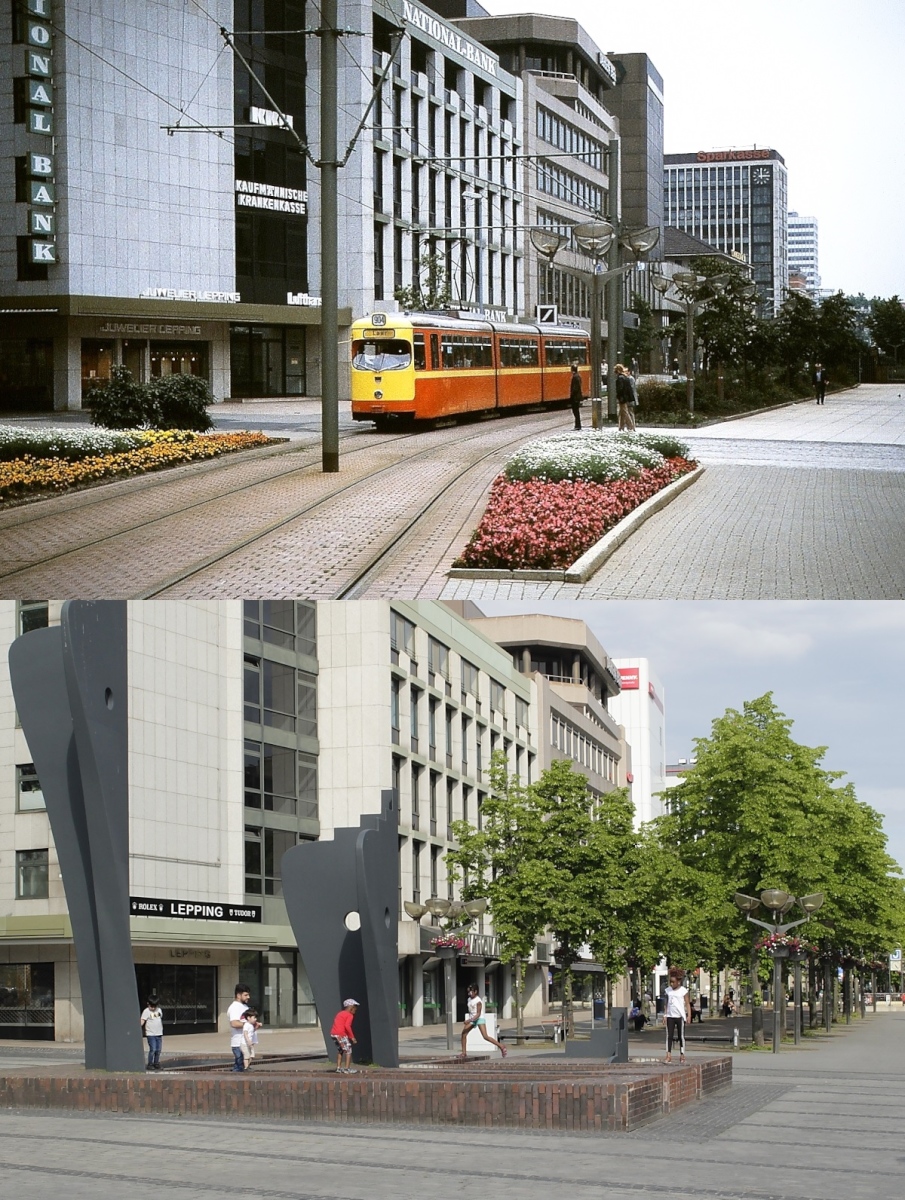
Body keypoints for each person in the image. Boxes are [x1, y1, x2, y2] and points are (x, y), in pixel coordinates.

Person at [459, 983, 507, 1059]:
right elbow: (471, 1011)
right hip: (472, 1019)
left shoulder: (478, 1001)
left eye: (471, 992)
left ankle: (501, 1046)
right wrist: (470, 1019)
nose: (469, 993)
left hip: (479, 1019)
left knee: (485, 1036)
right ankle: (464, 1053)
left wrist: (469, 1020)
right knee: (463, 1034)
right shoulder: (469, 999)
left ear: (476, 991)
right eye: (468, 992)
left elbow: (478, 1014)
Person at [664, 968, 691, 1064]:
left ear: (678, 982)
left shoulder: (683, 991)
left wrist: (689, 1015)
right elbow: (666, 1004)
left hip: (680, 1016)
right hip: (670, 1016)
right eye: (670, 982)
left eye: (673, 982)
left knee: (681, 1036)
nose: (671, 984)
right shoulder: (668, 991)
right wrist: (665, 1015)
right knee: (669, 1036)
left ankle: (682, 1054)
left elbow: (687, 1003)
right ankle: (668, 1055)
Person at [330, 998, 359, 1073]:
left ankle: (338, 1068)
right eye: (355, 1007)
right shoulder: (349, 1015)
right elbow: (347, 1026)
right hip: (341, 1034)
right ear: (351, 1007)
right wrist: (352, 1037)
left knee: (341, 1050)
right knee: (348, 1050)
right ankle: (347, 1069)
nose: (356, 1009)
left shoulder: (340, 1013)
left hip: (333, 1034)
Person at [228, 983, 251, 1072]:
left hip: (245, 1042)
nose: (248, 997)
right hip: (238, 1043)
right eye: (246, 995)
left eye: (248, 994)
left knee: (243, 1066)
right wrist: (249, 1025)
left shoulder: (244, 1006)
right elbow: (234, 1023)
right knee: (239, 1067)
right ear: (238, 995)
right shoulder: (234, 1007)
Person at [140, 992, 164, 1071]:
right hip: (151, 1034)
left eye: (154, 1006)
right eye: (151, 1006)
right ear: (148, 1004)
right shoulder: (146, 1011)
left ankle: (156, 1063)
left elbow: (159, 1019)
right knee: (153, 1049)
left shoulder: (159, 1010)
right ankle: (150, 1064)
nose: (153, 1008)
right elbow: (142, 1020)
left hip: (159, 1033)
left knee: (158, 1050)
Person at [615, 363, 636, 432]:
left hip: (622, 398)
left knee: (624, 412)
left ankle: (630, 426)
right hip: (626, 397)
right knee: (622, 412)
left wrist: (619, 397)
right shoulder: (625, 377)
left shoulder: (620, 378)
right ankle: (621, 427)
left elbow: (620, 389)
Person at [569, 364, 583, 430]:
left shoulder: (575, 377)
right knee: (576, 411)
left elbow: (575, 388)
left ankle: (578, 425)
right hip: (577, 396)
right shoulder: (578, 376)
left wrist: (572, 394)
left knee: (575, 411)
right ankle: (577, 425)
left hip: (575, 397)